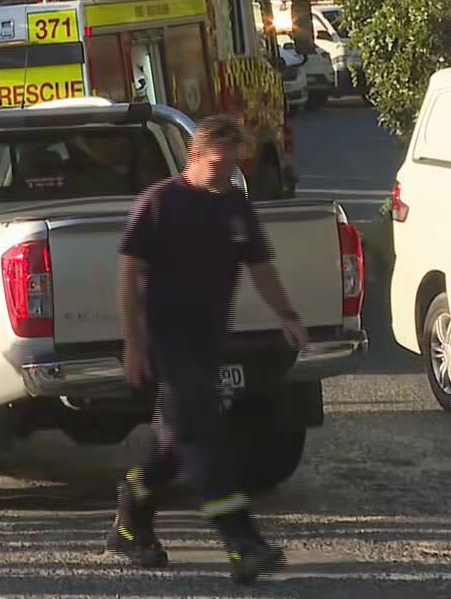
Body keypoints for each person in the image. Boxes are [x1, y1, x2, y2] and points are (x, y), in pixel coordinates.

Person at [107, 114, 308, 584]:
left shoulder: (235, 206)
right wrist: (134, 345)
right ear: (193, 156)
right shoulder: (159, 203)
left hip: (208, 342)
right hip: (166, 343)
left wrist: (288, 315)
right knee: (205, 439)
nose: (226, 172)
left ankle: (130, 519)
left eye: (234, 163)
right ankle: (242, 543)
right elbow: (129, 278)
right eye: (218, 163)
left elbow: (261, 268)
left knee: (179, 443)